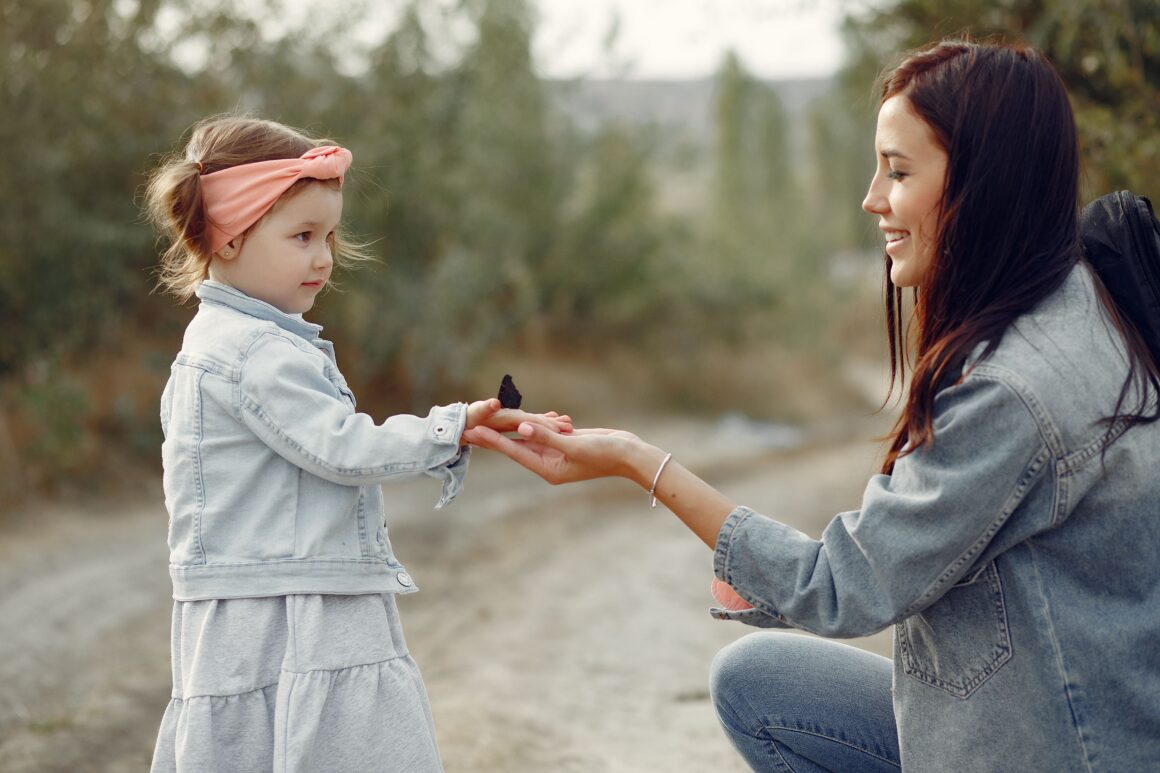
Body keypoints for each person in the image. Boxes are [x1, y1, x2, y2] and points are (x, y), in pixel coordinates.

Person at [464, 39, 1160, 772]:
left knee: (757, 683)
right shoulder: (1083, 298)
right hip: (1059, 717)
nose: (872, 198)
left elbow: (838, 588)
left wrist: (637, 461)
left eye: (898, 171)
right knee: (760, 682)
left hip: (1061, 751)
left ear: (983, 184)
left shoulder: (1009, 391)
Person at [143, 115, 570, 772]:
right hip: (290, 612)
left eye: (330, 237)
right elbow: (340, 448)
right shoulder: (253, 352)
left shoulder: (222, 342)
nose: (324, 257)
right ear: (227, 237)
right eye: (302, 236)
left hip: (260, 605)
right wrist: (446, 427)